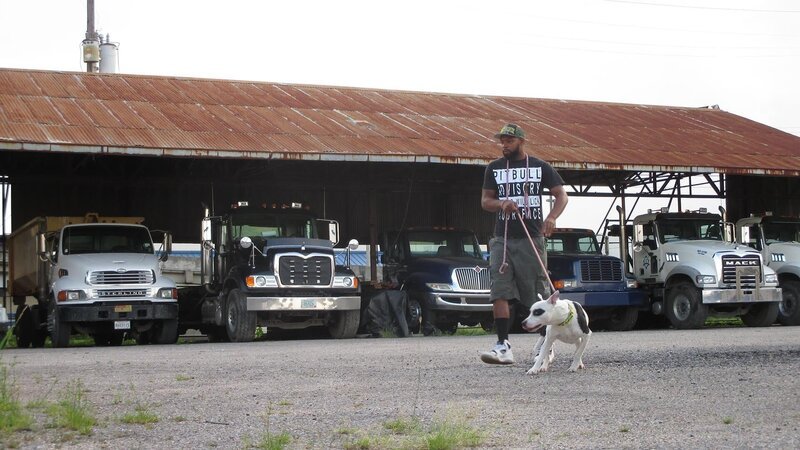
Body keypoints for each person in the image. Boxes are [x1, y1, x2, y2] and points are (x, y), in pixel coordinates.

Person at [479, 123, 568, 364]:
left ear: (521, 141)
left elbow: (562, 194)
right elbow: (486, 201)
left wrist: (551, 217)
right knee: (499, 289)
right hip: (502, 238)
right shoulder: (494, 168)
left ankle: (546, 344)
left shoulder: (539, 166)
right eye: (502, 141)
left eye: (509, 140)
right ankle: (503, 346)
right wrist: (501, 204)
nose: (504, 145)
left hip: (531, 239)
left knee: (536, 292)